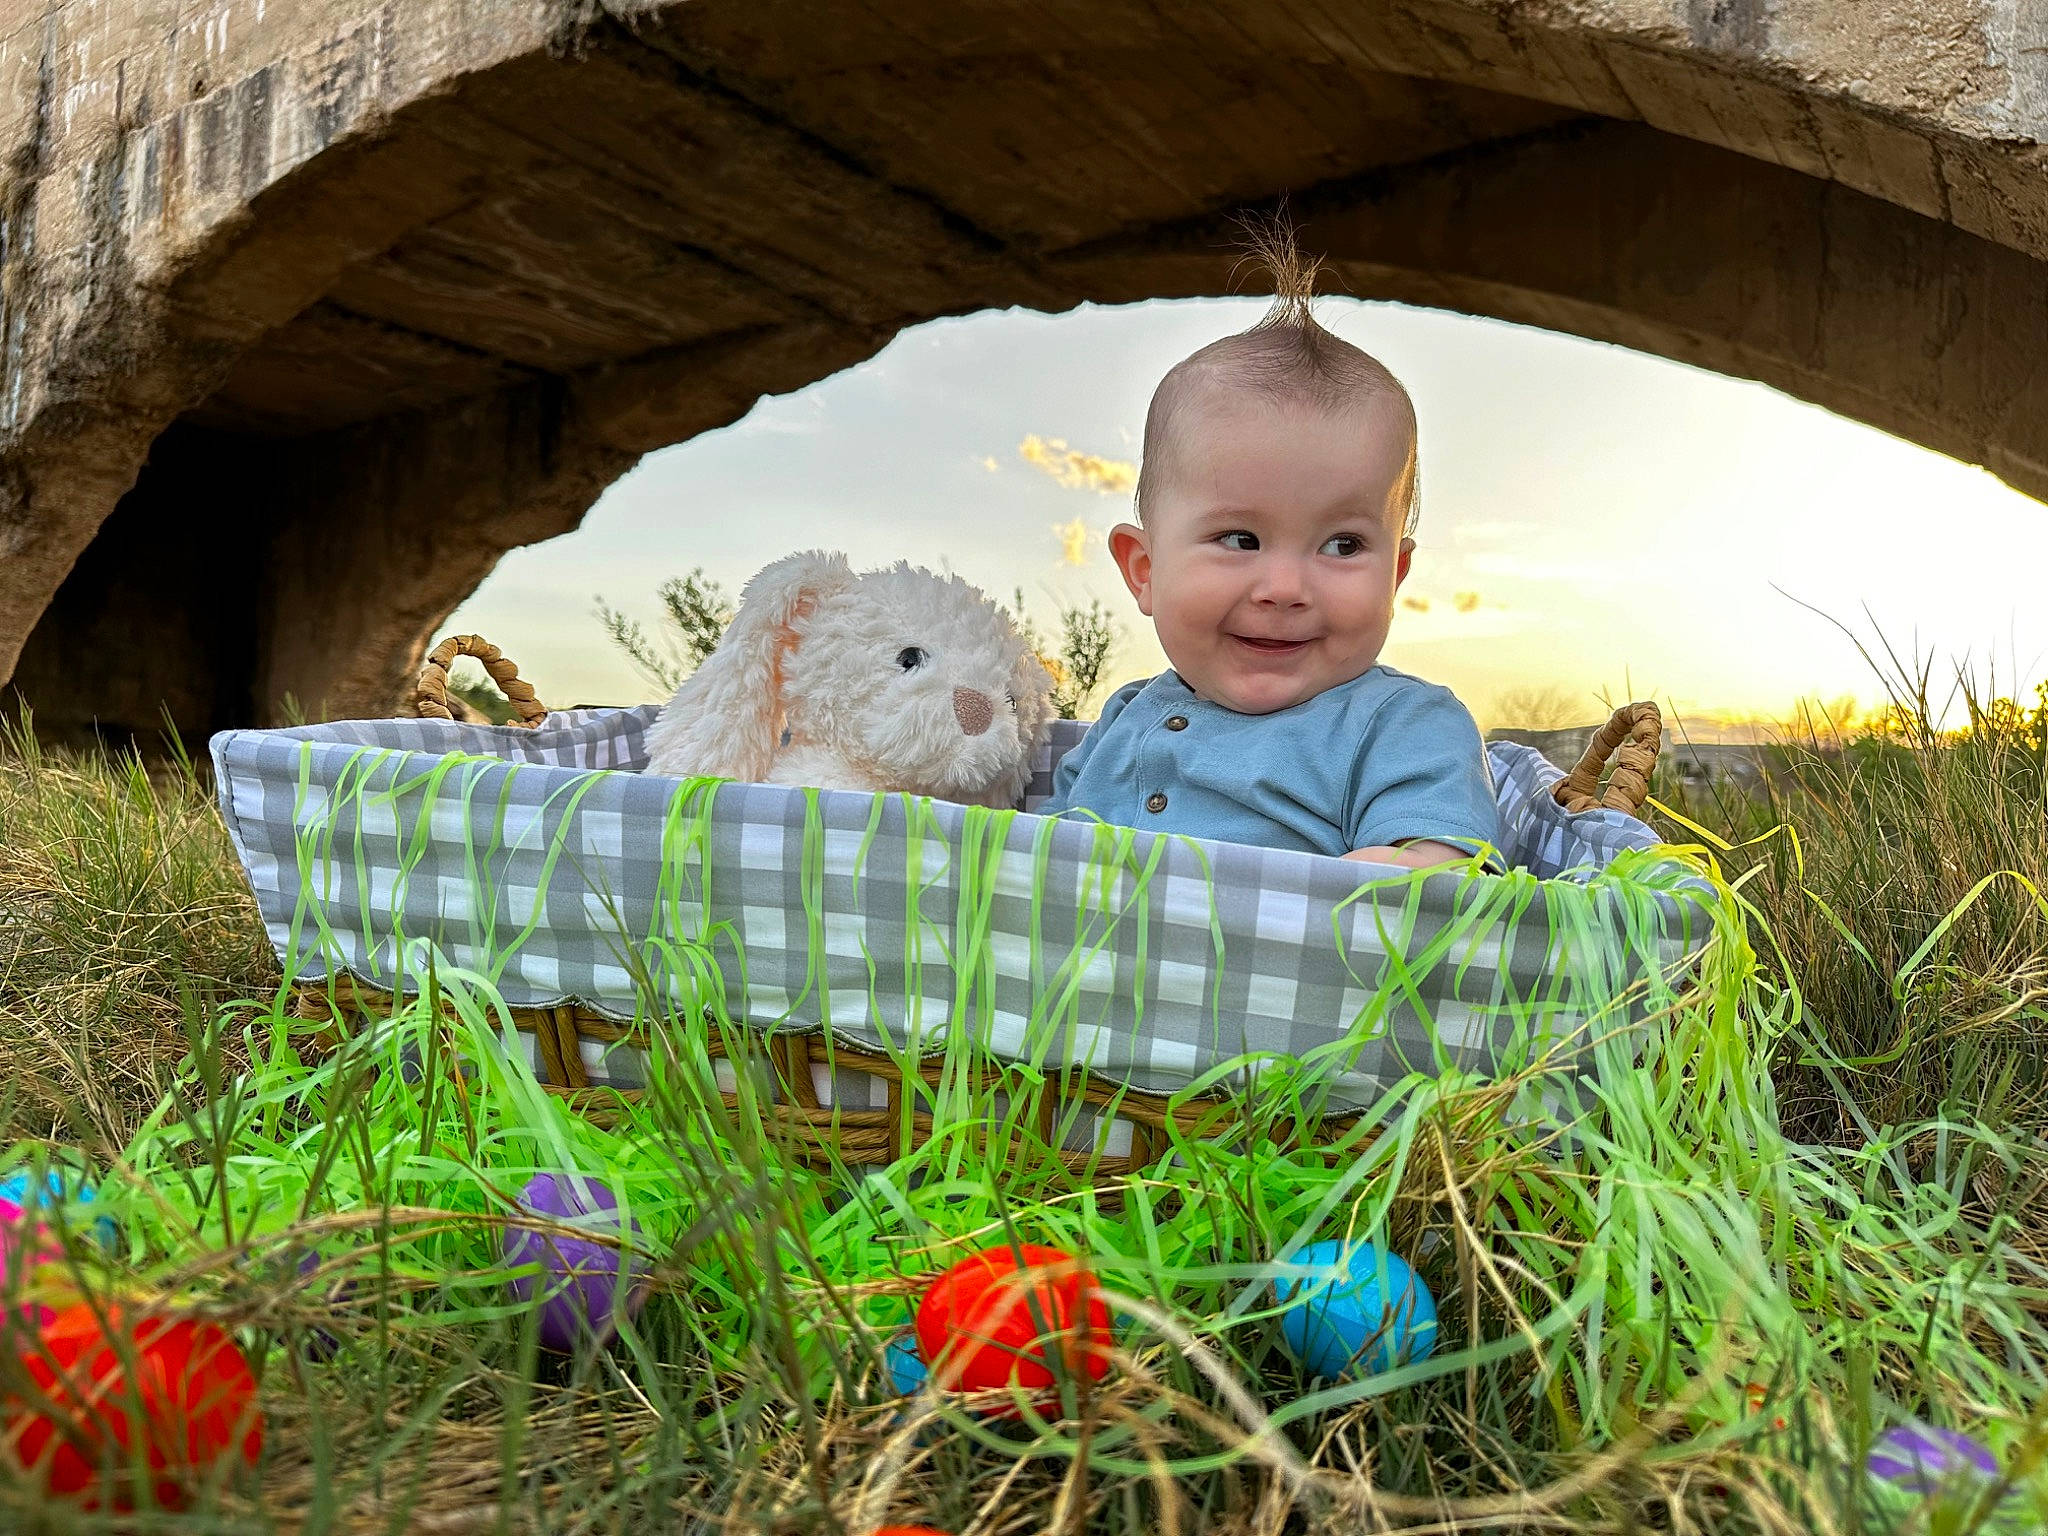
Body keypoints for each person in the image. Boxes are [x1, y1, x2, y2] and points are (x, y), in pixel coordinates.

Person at [1043, 224, 1501, 870]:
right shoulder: (1121, 721)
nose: (1284, 587)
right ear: (1145, 571)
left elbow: (1444, 872)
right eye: (1241, 539)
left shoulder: (1404, 726)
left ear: (1395, 576)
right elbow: (1030, 866)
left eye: (1343, 545)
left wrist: (1390, 876)